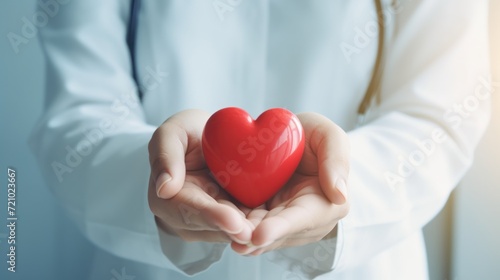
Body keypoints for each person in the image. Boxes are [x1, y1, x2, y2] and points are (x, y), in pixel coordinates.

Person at [30, 0, 491, 279]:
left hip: (362, 263)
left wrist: (343, 182)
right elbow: (78, 113)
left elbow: (441, 112)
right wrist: (160, 177)